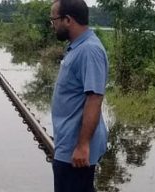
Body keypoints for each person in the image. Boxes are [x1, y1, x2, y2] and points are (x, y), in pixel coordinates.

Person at [50, 0, 109, 191]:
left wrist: (82, 146)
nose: (53, 25)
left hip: (74, 150)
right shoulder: (78, 47)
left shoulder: (89, 50)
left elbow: (94, 98)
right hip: (67, 144)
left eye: (54, 20)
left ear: (68, 20)